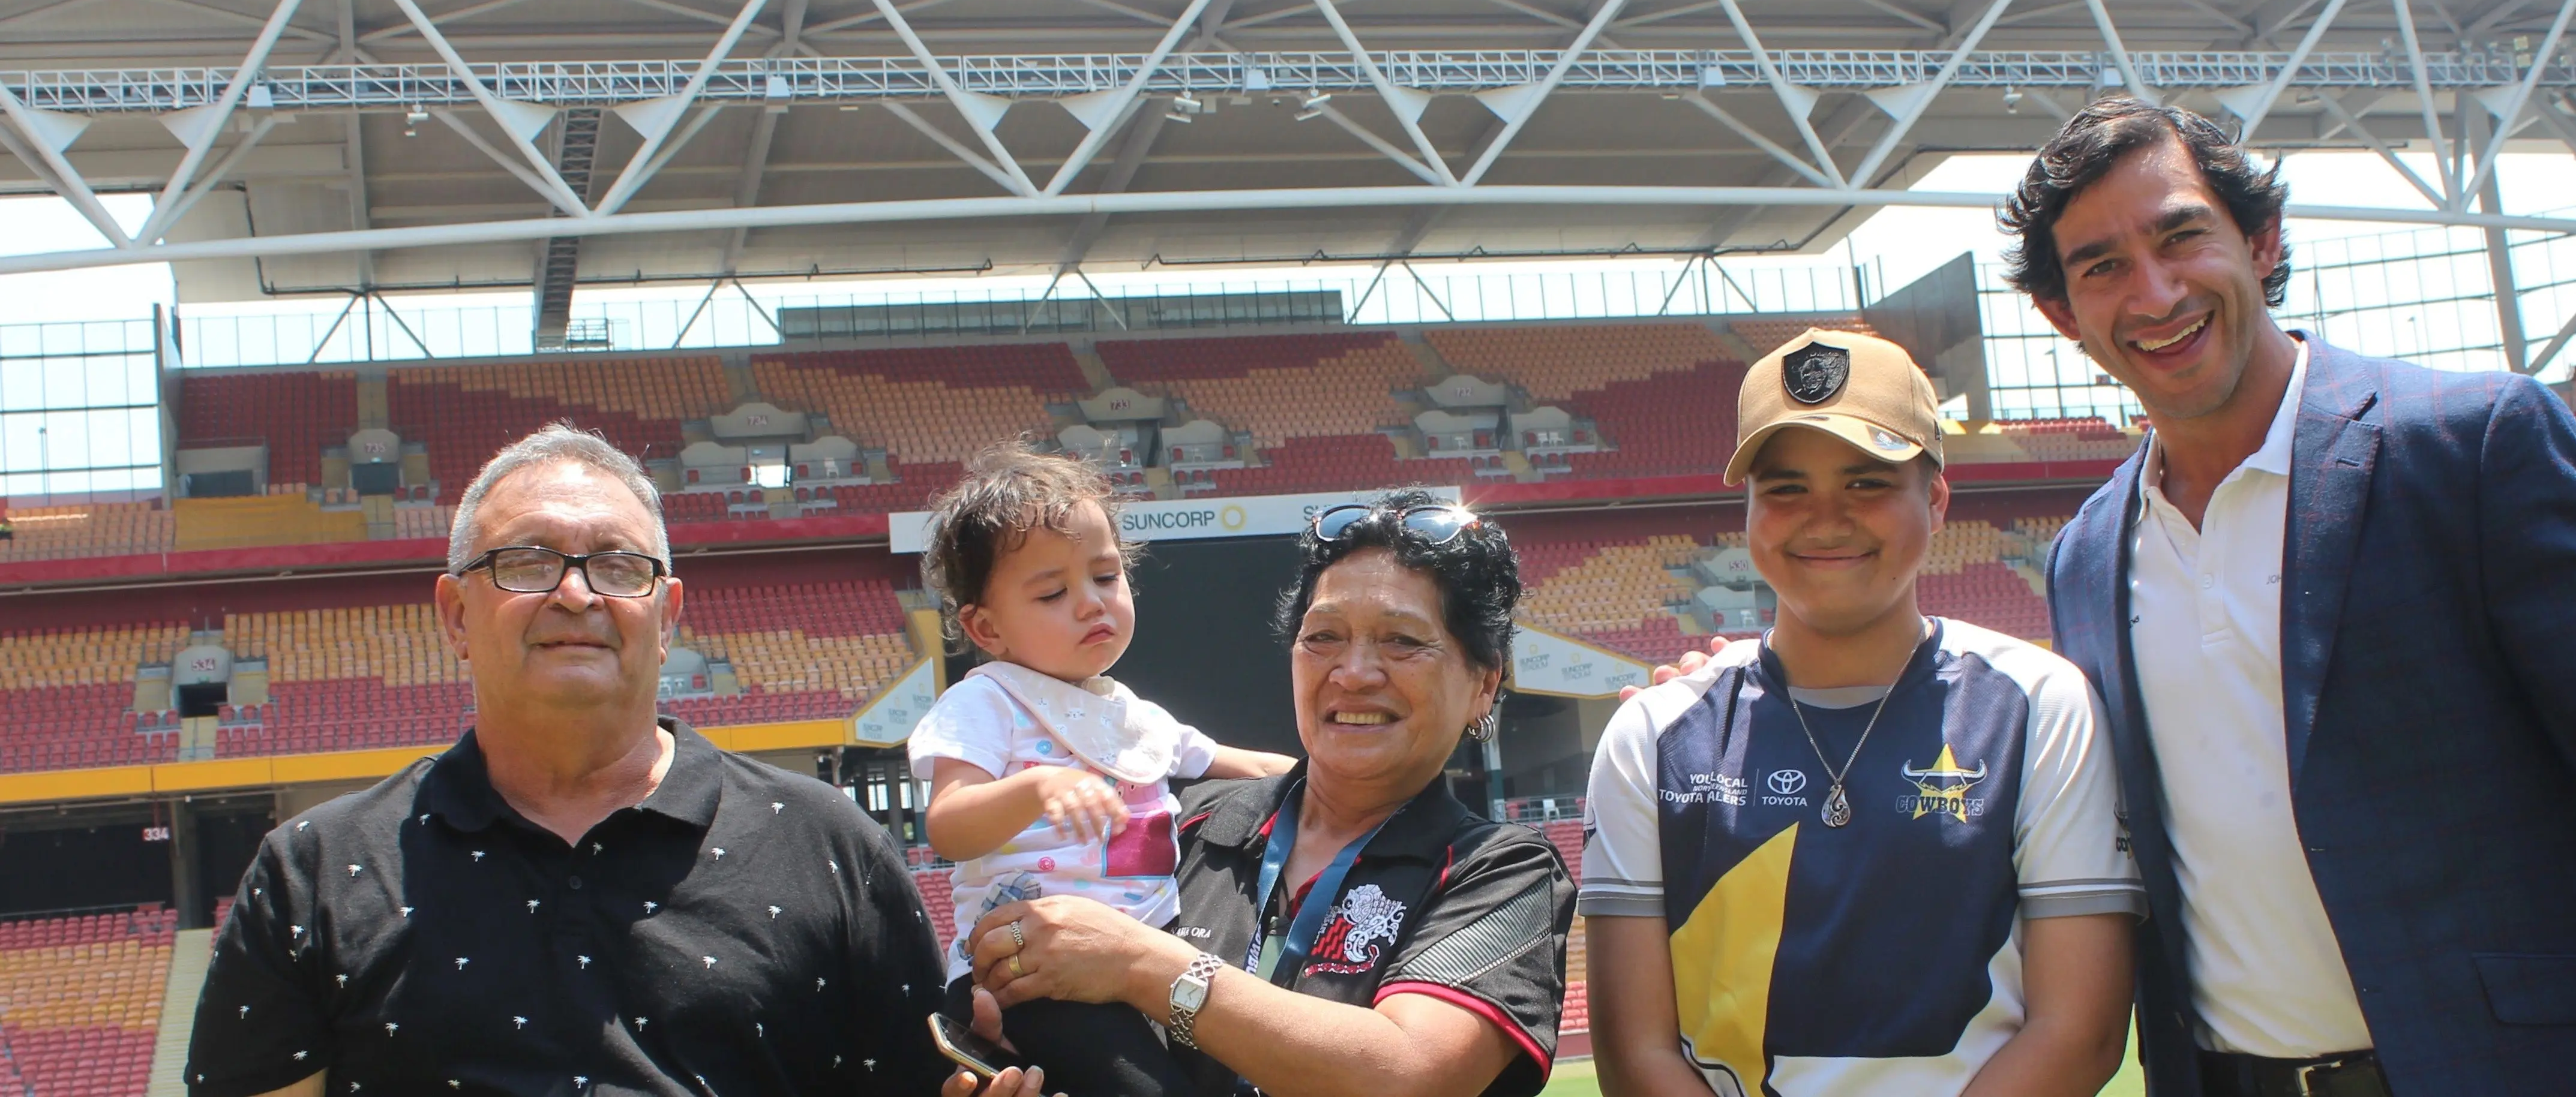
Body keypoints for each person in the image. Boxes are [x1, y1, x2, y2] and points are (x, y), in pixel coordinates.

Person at [2005, 96, 2576, 1096]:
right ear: (2059, 314)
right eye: (2101, 266)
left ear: (2259, 241)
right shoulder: (2082, 551)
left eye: (2181, 236)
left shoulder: (2469, 446)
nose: (2154, 291)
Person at [185, 422, 953, 1096]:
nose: (577, 594)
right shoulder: (311, 874)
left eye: (619, 568)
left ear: (667, 618)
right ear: (455, 613)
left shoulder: (828, 847)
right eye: (527, 562)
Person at [1585, 329, 2140, 1097]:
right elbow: (1635, 1055)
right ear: (1745, 511)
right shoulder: (1650, 735)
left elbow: (2079, 1033)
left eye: (1867, 482)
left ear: (1937, 499)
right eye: (1785, 489)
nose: (1825, 518)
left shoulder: (2041, 706)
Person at [941, 489, 1575, 1097]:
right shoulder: (1183, 829)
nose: (1353, 673)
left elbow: (1407, 1075)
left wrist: (1139, 964)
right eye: (1323, 637)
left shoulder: (1504, 874)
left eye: (1402, 641)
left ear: (1484, 685)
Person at [909, 448, 1296, 1097]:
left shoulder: (1133, 715)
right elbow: (948, 824)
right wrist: (1037, 787)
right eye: (1054, 593)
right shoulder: (986, 702)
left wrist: (1336, 775)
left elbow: (1249, 765)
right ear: (986, 626)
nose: (1092, 604)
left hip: (1146, 965)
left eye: (1107, 577)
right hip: (1036, 975)